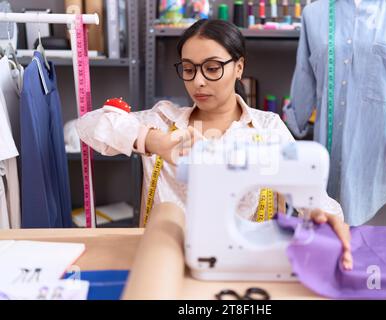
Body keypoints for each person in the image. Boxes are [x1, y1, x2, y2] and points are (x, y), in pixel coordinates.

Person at [77, 19, 353, 269]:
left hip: (244, 266)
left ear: (239, 67)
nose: (198, 81)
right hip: (166, 262)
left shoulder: (267, 129)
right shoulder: (163, 121)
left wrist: (320, 213)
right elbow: (88, 126)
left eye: (212, 68)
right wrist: (152, 140)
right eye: (188, 69)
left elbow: (309, 195)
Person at [284, 0, 386, 226]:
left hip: (384, 174)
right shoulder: (314, 13)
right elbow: (305, 75)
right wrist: (296, 119)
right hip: (328, 169)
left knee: (385, 254)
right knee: (332, 254)